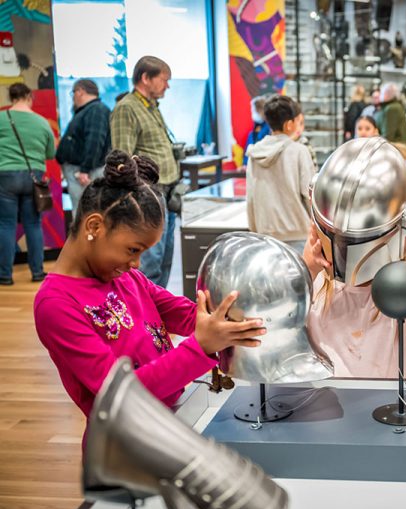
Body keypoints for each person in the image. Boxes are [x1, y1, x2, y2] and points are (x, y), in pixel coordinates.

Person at [33, 150, 265, 447]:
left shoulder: (126, 277)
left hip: (172, 422)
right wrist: (201, 346)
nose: (137, 264)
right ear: (94, 226)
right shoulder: (56, 304)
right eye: (133, 250)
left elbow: (186, 314)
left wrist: (237, 316)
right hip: (125, 446)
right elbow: (121, 392)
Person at [303, 188, 406, 377]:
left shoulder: (399, 283)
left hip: (389, 403)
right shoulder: (312, 283)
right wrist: (307, 269)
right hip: (326, 402)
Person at [111, 56, 178, 288]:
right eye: (164, 80)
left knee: (165, 259)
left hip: (168, 193)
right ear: (145, 78)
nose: (167, 86)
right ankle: (145, 315)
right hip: (149, 194)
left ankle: (160, 312)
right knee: (151, 261)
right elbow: (121, 158)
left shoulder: (151, 107)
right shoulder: (127, 108)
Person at [0, 82, 55, 286]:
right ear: (30, 97)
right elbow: (50, 153)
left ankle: (5, 275)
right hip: (34, 176)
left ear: (11, 98)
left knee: (5, 225)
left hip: (5, 176)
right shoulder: (41, 122)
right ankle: (38, 272)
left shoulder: (1, 118)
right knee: (33, 224)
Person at [245, 95, 314, 253]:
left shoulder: (254, 154)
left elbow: (250, 198)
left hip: (265, 236)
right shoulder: (299, 151)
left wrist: (255, 232)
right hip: (298, 235)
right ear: (289, 124)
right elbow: (310, 196)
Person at [56, 79, 111, 212]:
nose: (73, 97)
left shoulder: (96, 110)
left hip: (84, 173)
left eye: (73, 93)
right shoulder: (88, 110)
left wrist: (85, 169)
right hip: (80, 171)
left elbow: (95, 140)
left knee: (84, 214)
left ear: (80, 91)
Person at [242, 96, 271, 167]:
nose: (253, 113)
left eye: (254, 111)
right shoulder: (253, 130)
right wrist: (245, 164)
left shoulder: (269, 129)